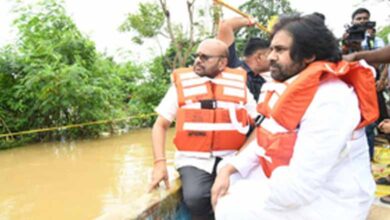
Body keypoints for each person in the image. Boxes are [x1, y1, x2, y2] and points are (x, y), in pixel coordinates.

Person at [211, 14, 378, 219]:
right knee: (230, 179)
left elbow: (299, 188)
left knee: (230, 204)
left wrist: (240, 193)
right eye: (271, 49)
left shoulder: (332, 99)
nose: (271, 56)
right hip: (300, 188)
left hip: (332, 201)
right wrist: (230, 167)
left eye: (280, 50)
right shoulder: (290, 87)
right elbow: (267, 138)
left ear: (308, 55)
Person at [148, 38, 258, 220]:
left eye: (205, 57)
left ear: (223, 62)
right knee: (196, 197)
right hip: (194, 159)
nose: (198, 60)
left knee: (243, 195)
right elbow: (160, 125)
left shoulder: (239, 87)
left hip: (231, 156)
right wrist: (159, 163)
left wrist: (241, 156)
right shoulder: (180, 86)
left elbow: (261, 125)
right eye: (197, 55)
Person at [217, 17, 270, 102]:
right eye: (270, 55)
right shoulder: (232, 65)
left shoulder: (263, 82)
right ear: (259, 57)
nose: (274, 57)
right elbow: (225, 26)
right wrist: (248, 21)